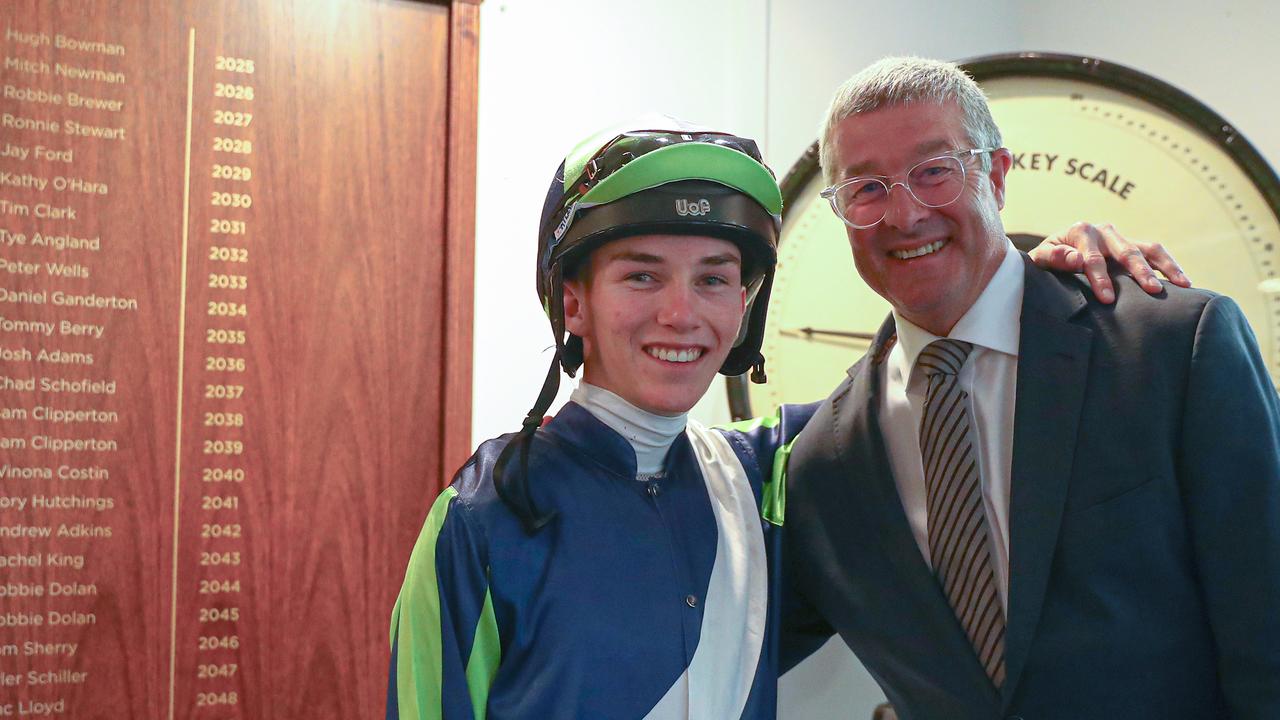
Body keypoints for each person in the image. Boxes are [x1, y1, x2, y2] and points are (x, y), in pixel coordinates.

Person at [386, 115, 1181, 720]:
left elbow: (926, 368)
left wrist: (1034, 274)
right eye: (640, 275)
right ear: (574, 303)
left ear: (744, 305)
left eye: (713, 278)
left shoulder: (770, 471)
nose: (680, 313)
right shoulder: (486, 513)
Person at [781, 57, 1280, 720]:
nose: (904, 213)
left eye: (935, 171)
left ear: (995, 173)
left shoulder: (1170, 349)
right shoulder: (823, 462)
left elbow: (1267, 633)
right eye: (867, 188)